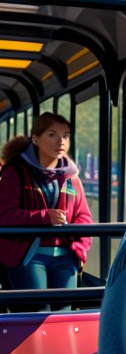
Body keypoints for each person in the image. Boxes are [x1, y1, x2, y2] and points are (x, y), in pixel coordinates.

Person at [0, 112, 93, 311]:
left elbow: (84, 216)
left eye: (66, 135)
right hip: (28, 255)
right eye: (52, 135)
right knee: (35, 317)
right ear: (35, 139)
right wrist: (43, 217)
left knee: (64, 318)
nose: (60, 141)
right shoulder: (14, 173)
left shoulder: (72, 178)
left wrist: (79, 251)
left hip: (66, 256)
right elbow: (4, 214)